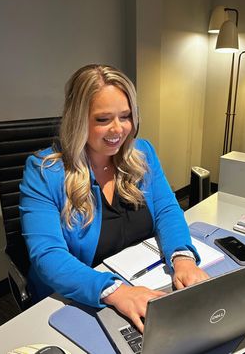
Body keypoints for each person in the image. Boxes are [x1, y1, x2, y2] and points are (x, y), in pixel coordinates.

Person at [19, 64, 209, 332]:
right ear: (78, 119)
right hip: (79, 296)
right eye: (102, 119)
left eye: (126, 116)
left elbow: (167, 209)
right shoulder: (43, 172)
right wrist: (116, 292)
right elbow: (49, 256)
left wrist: (182, 257)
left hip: (144, 280)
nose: (118, 129)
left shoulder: (142, 152)